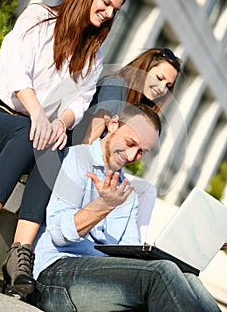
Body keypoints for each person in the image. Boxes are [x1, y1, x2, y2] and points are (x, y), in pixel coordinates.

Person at [0, 0, 127, 295]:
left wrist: (58, 124)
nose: (109, 13)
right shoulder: (39, 18)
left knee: (52, 143)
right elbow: (14, 70)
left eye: (115, 10)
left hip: (30, 132)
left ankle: (19, 254)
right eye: (106, 3)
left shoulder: (92, 54)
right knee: (31, 131)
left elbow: (80, 100)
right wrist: (39, 114)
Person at [28, 104, 221, 312]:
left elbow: (129, 254)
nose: (131, 156)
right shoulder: (76, 159)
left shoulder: (127, 195)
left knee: (190, 280)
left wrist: (199, 244)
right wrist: (103, 206)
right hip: (55, 276)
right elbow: (58, 233)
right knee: (160, 273)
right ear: (113, 125)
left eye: (141, 152)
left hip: (103, 279)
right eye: (130, 143)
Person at [71, 47, 183, 240]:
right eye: (159, 77)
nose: (162, 88)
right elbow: (89, 138)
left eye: (168, 85)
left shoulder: (141, 107)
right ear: (145, 68)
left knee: (146, 191)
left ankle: (133, 247)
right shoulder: (117, 85)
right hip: (82, 163)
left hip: (105, 170)